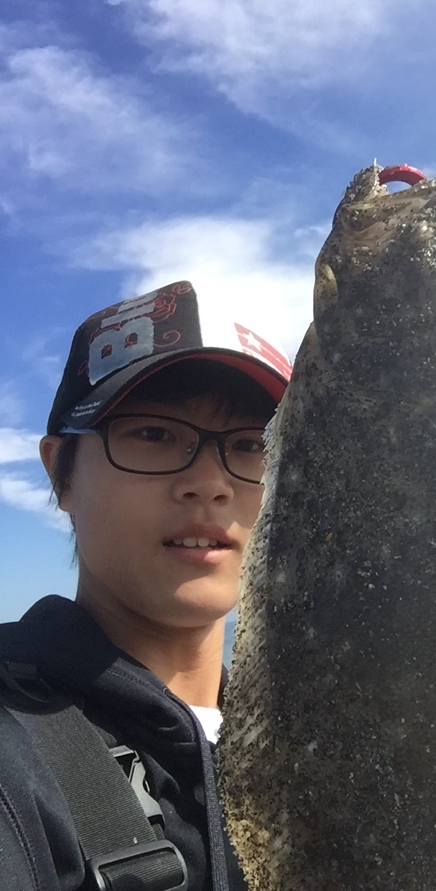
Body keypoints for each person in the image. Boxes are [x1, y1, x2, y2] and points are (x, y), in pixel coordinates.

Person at [0, 280, 292, 891]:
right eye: (155, 434)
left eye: (251, 445)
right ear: (61, 474)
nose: (210, 482)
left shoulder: (324, 737)